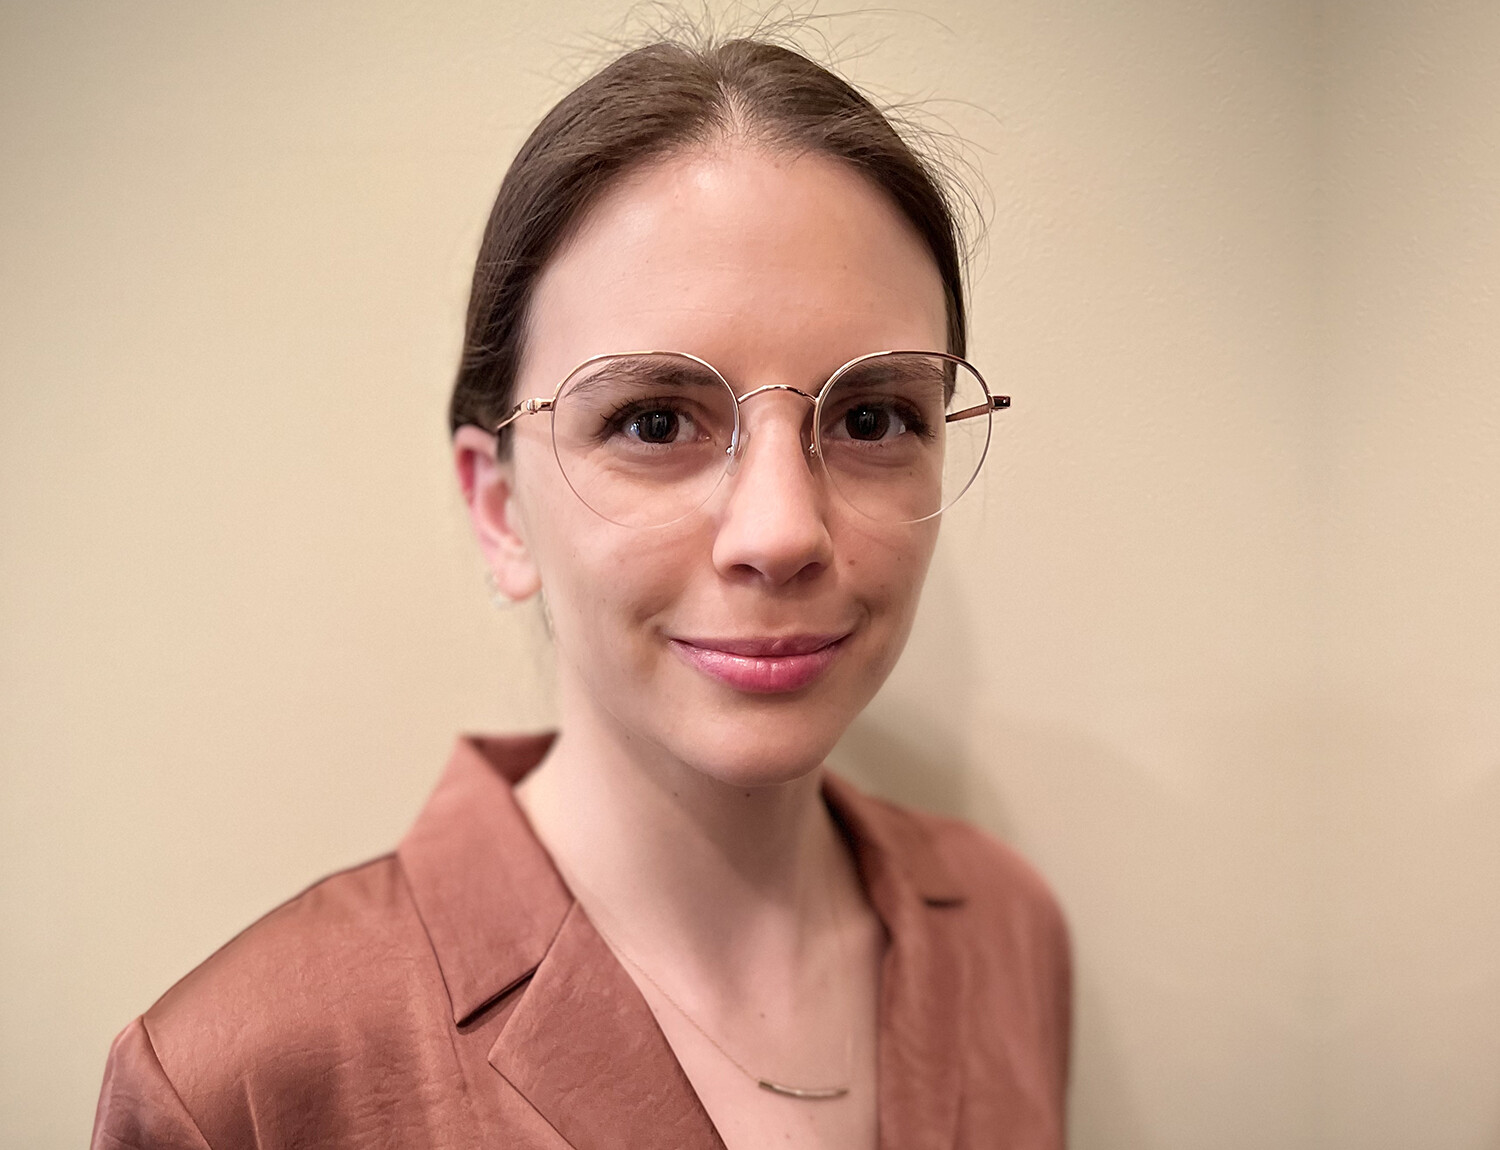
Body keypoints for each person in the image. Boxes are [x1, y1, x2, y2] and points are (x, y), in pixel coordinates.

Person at [91, 34, 1070, 1150]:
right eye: (654, 421)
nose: (782, 531)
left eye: (871, 418)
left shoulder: (1007, 933)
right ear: (500, 508)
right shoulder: (245, 1082)